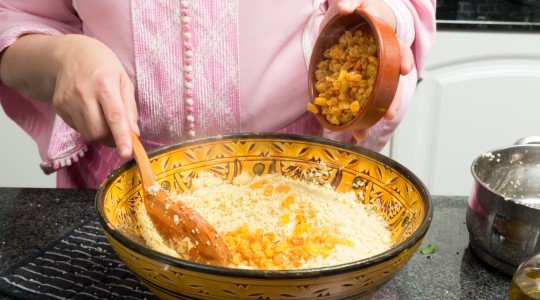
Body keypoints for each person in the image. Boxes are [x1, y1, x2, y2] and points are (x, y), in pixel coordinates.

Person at [0, 0, 436, 188]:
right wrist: (62, 56)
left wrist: (384, 15)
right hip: (120, 179)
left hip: (307, 176)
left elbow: (404, 5)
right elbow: (14, 16)